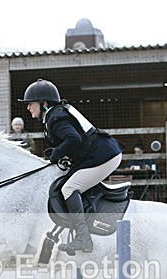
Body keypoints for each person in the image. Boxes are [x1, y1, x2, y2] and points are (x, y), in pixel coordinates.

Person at [19, 79, 123, 255]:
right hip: (99, 155)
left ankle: (84, 238)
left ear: (44, 103)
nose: (28, 108)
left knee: (69, 188)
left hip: (104, 157)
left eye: (31, 104)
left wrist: (56, 153)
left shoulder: (56, 117)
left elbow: (74, 139)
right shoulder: (54, 115)